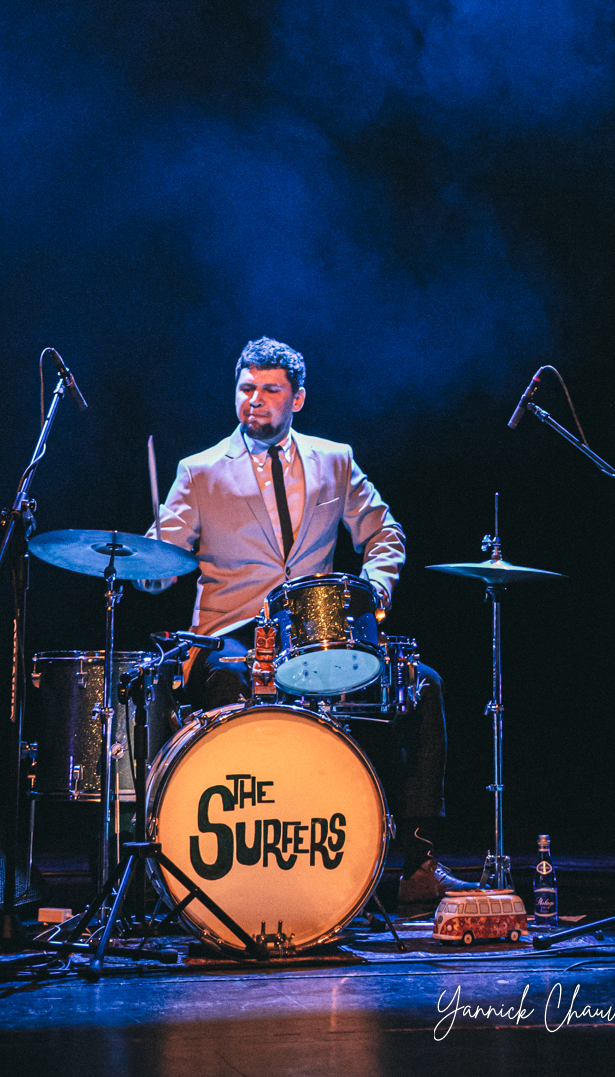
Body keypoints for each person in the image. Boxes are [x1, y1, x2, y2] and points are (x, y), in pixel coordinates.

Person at [137, 336, 464, 903]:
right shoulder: (200, 470)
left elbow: (384, 533)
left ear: (298, 398)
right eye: (245, 389)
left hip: (317, 633)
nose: (254, 400)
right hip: (230, 634)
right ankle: (236, 858)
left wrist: (375, 592)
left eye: (269, 390)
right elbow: (159, 567)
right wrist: (149, 563)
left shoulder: (334, 460)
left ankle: (419, 862)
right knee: (231, 679)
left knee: (424, 686)